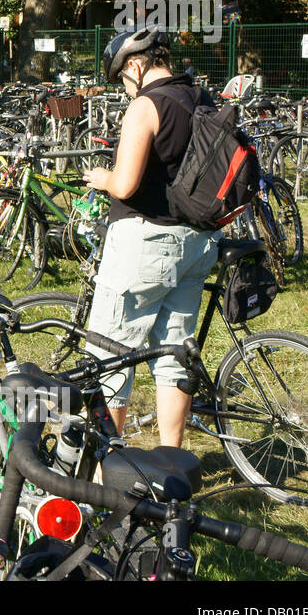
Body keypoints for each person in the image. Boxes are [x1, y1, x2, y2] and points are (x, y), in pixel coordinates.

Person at [81, 25, 220, 448]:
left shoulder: (145, 106)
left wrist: (101, 177)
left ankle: (110, 468)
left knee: (110, 355)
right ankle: (170, 463)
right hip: (198, 243)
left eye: (123, 78)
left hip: (146, 243)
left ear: (137, 66)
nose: (125, 88)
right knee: (174, 357)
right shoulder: (200, 98)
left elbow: (125, 184)